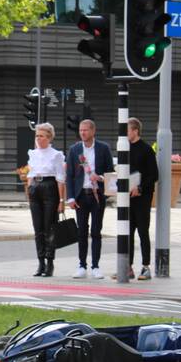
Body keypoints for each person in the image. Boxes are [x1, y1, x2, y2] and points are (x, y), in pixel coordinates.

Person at [65, 119, 113, 279]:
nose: (82, 133)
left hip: (97, 195)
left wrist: (99, 178)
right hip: (80, 195)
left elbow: (110, 173)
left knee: (96, 231)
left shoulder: (103, 148)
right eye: (81, 130)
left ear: (93, 131)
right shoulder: (75, 150)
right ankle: (81, 265)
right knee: (82, 232)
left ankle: (96, 266)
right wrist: (70, 197)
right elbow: (70, 175)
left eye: (85, 130)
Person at [25, 123, 66, 277]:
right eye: (37, 136)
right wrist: (29, 191)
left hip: (50, 187)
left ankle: (50, 262)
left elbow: (60, 178)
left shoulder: (56, 154)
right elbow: (30, 174)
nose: (38, 139)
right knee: (38, 229)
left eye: (41, 136)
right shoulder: (33, 153)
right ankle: (40, 262)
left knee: (49, 227)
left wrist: (61, 201)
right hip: (35, 186)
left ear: (49, 138)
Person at [125, 117, 159, 281]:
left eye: (127, 130)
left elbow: (154, 174)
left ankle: (146, 267)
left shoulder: (146, 150)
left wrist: (140, 188)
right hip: (127, 197)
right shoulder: (124, 149)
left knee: (142, 231)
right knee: (128, 232)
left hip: (142, 197)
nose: (124, 134)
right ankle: (128, 267)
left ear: (135, 131)